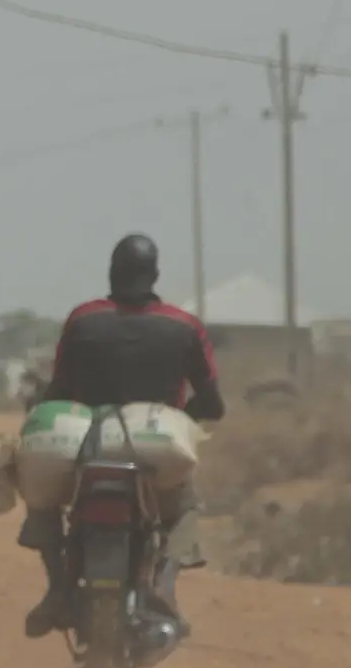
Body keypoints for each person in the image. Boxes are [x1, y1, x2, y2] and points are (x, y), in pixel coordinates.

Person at [20, 234, 225, 639]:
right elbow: (213, 404)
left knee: (41, 498)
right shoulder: (184, 327)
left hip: (85, 446)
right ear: (155, 275)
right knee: (183, 510)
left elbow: (58, 390)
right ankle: (163, 586)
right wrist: (182, 419)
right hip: (154, 450)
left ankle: (58, 588)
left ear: (112, 273)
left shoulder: (83, 320)